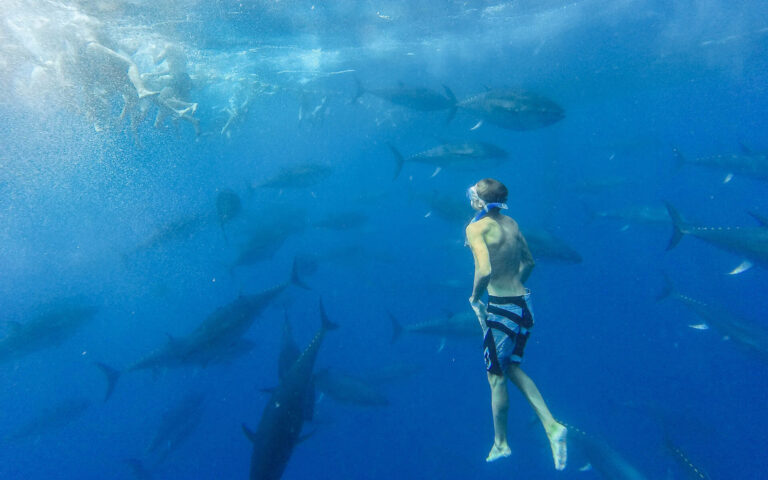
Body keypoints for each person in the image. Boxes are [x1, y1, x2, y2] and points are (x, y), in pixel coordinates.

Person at [465, 178, 567, 470]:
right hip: (524, 304)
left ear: (480, 201)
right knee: (512, 368)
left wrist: (475, 298)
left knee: (496, 377)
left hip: (501, 308)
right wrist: (514, 289)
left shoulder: (475, 228)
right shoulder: (511, 224)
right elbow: (530, 262)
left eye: (473, 194)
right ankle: (551, 425)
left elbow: (484, 269)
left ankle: (501, 443)